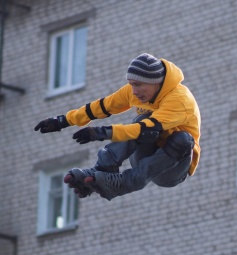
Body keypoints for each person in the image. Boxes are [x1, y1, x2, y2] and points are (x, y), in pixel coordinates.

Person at [34, 53, 201, 201]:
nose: (134, 91)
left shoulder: (179, 100)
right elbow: (101, 107)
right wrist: (63, 121)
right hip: (146, 154)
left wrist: (102, 133)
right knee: (143, 118)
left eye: (138, 85)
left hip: (172, 169)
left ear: (155, 83)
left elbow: (144, 128)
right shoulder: (133, 91)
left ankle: (125, 182)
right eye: (131, 84)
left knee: (178, 137)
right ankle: (101, 170)